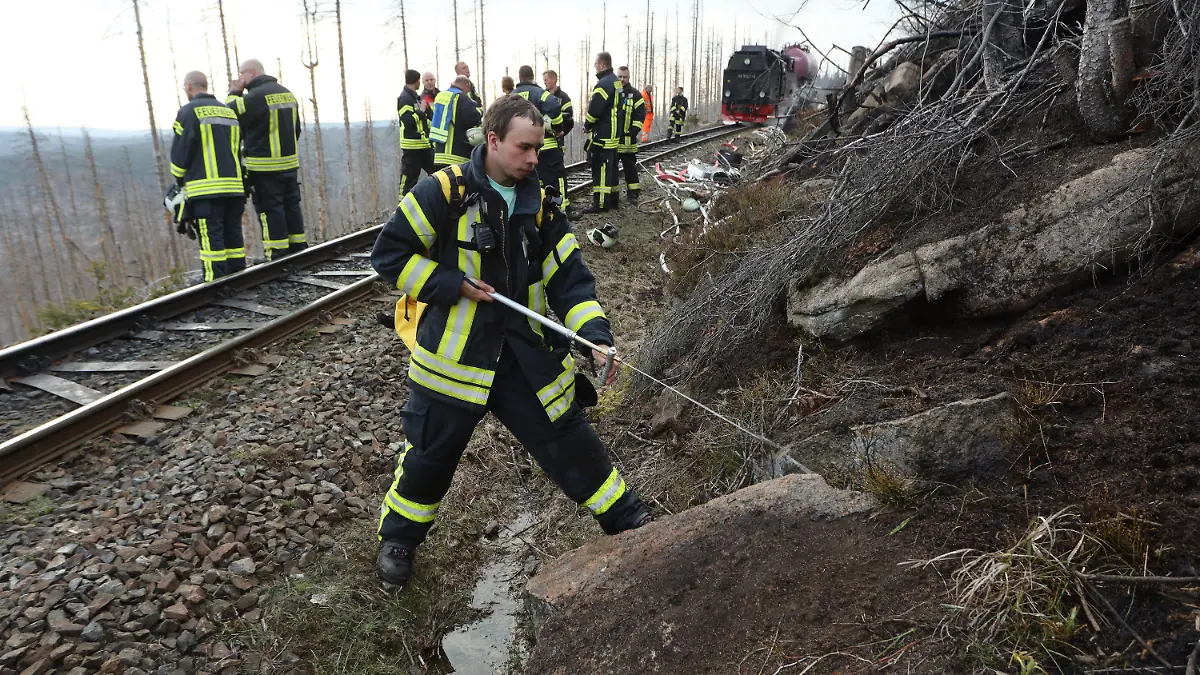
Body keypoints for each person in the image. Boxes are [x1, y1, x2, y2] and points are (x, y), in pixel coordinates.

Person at [370, 95, 653, 587]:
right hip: (453, 360)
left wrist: (594, 336)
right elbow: (389, 256)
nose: (533, 158)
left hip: (523, 357)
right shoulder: (442, 191)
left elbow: (569, 279)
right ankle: (398, 542)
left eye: (538, 148)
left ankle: (628, 518)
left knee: (568, 440)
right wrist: (450, 283)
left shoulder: (541, 204)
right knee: (429, 456)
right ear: (494, 140)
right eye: (524, 148)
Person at [168, 70, 246, 281]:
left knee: (213, 242)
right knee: (233, 238)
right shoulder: (228, 112)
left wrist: (178, 181)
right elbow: (238, 149)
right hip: (235, 189)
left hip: (205, 192)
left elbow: (180, 155)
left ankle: (215, 287)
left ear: (189, 87)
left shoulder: (188, 112)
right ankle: (240, 281)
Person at [227, 59, 306, 259]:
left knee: (271, 209)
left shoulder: (254, 97)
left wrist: (234, 92)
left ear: (251, 73)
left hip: (263, 167)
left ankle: (277, 254)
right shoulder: (287, 93)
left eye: (242, 74)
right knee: (291, 206)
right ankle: (299, 249)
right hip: (289, 164)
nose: (240, 78)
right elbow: (296, 129)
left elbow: (229, 114)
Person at [513, 66, 566, 207]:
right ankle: (559, 210)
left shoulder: (511, 96)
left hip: (520, 150)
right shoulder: (539, 93)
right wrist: (558, 128)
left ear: (520, 77)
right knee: (554, 180)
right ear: (532, 77)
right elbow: (554, 106)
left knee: (529, 182)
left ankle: (534, 210)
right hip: (546, 147)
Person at [583, 51, 622, 213]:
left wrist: (587, 125)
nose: (595, 66)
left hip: (604, 134)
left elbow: (595, 110)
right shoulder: (616, 82)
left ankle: (600, 204)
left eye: (596, 64)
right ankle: (613, 200)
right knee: (612, 168)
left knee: (601, 169)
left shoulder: (603, 84)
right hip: (614, 134)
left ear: (602, 64)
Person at [429, 76, 483, 170]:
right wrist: (480, 111)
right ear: (466, 86)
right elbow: (472, 118)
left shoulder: (440, 96)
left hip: (439, 152)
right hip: (456, 154)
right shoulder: (461, 97)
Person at [542, 69, 576, 213]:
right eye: (544, 80)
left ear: (554, 79)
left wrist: (562, 131)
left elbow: (569, 117)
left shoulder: (563, 97)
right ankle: (549, 203)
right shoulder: (542, 97)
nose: (545, 82)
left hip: (557, 142)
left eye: (547, 79)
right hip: (544, 141)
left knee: (559, 174)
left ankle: (564, 204)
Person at [398, 69, 435, 198]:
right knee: (409, 180)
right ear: (417, 81)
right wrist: (420, 111)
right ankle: (402, 206)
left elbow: (425, 120)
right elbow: (407, 121)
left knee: (438, 173)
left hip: (424, 145)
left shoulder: (415, 97)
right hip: (412, 146)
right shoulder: (404, 98)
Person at [616, 67, 646, 204]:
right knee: (612, 171)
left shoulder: (635, 94)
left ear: (629, 77)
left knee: (630, 169)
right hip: (613, 141)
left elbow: (640, 115)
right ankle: (613, 197)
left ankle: (633, 194)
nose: (622, 79)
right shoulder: (612, 92)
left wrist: (632, 131)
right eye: (620, 76)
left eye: (625, 77)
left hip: (628, 141)